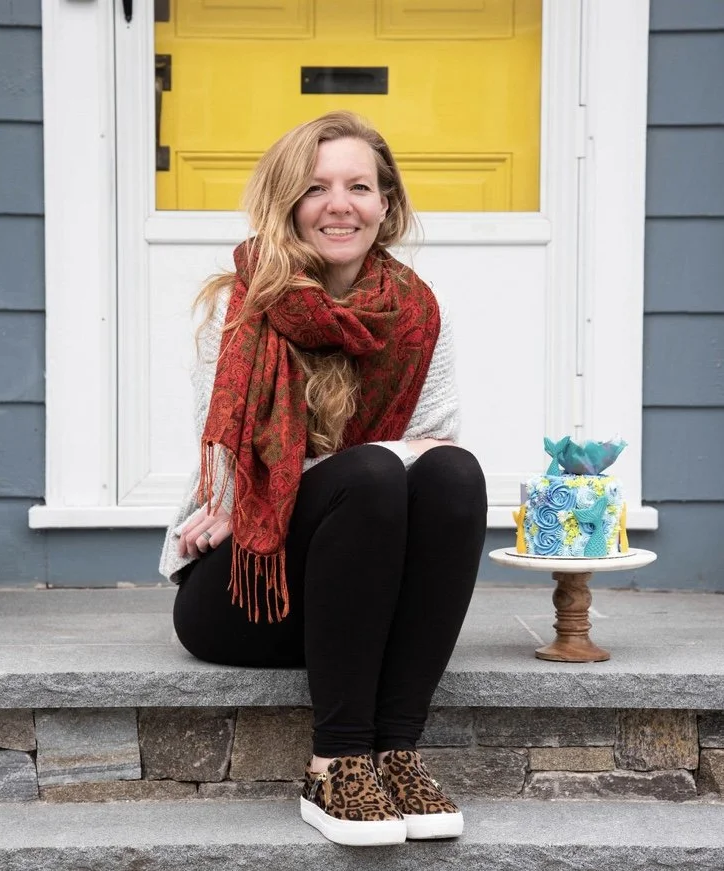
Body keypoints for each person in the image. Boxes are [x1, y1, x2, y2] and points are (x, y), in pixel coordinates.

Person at [159, 111, 487, 847]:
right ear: (288, 203)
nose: (340, 204)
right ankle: (335, 763)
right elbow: (228, 478)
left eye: (359, 186)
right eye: (316, 187)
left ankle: (397, 752)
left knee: (454, 475)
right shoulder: (239, 307)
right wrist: (360, 466)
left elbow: (438, 447)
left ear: (386, 203)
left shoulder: (419, 314)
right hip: (245, 587)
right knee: (374, 470)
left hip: (365, 594)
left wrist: (363, 465)